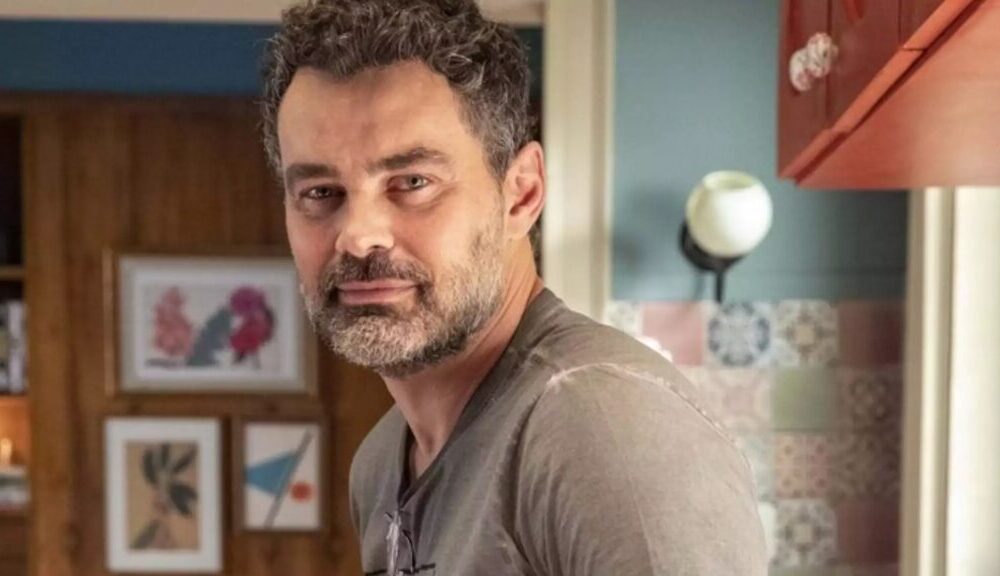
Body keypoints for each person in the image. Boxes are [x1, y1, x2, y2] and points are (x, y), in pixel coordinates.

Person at [261, 1, 767, 574]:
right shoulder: (379, 465)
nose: (358, 236)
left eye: (413, 182)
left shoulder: (604, 426)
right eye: (321, 193)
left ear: (521, 194)